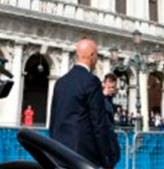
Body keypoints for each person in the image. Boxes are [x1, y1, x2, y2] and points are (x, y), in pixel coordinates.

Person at [48, 38, 118, 169]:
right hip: (82, 154)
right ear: (92, 55)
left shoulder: (61, 82)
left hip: (59, 152)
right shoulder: (91, 82)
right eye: (96, 54)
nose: (97, 58)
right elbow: (98, 123)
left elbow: (53, 119)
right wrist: (107, 157)